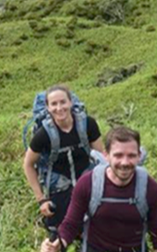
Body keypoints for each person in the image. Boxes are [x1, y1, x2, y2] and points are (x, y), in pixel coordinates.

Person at [41, 126, 157, 252]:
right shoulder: (88, 183)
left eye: (131, 156)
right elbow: (71, 224)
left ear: (139, 156)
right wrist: (57, 244)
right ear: (106, 155)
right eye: (118, 155)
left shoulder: (151, 189)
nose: (125, 162)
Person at [22, 84, 106, 227]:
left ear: (70, 102)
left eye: (63, 102)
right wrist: (41, 199)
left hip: (87, 182)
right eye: (54, 104)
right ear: (48, 107)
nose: (59, 108)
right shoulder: (43, 134)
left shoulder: (88, 124)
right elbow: (28, 165)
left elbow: (101, 157)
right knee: (59, 233)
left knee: (95, 227)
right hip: (59, 187)